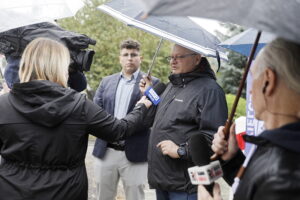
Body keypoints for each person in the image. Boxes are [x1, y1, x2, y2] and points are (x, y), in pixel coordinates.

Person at [0, 37, 152, 200]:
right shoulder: (80, 105)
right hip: (66, 191)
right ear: (60, 66)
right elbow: (118, 129)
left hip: (11, 190)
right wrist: (142, 106)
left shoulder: (3, 104)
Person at [198, 38, 300, 200]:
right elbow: (256, 188)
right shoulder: (278, 147)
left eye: (253, 77)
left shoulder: (283, 176)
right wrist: (232, 159)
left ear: (268, 80)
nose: (250, 92)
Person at [140, 44, 228, 200]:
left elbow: (213, 138)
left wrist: (181, 151)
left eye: (179, 57)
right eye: (171, 57)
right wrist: (148, 92)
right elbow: (155, 119)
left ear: (197, 59)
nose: (173, 61)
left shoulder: (210, 91)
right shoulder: (171, 86)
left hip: (186, 187)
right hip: (162, 181)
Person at [92, 39, 159, 200]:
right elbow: (96, 112)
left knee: (135, 196)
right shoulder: (106, 82)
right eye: (126, 55)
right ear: (119, 58)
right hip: (106, 150)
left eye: (134, 55)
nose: (129, 58)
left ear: (140, 58)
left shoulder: (153, 83)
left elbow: (157, 112)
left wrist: (148, 92)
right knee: (102, 196)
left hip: (135, 153)